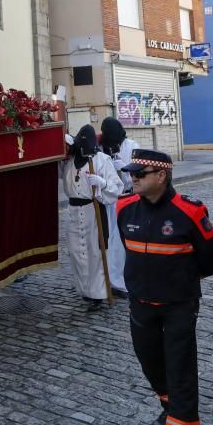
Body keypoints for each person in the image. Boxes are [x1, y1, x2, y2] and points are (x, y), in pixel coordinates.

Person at [117, 149, 213, 425]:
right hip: (140, 302)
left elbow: (212, 259)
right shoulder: (124, 207)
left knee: (180, 363)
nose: (132, 178)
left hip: (179, 302)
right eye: (131, 173)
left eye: (139, 174)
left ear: (161, 175)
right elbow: (131, 250)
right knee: (149, 360)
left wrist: (181, 278)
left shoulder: (190, 210)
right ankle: (171, 410)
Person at [61, 125, 124, 310]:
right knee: (76, 251)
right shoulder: (69, 161)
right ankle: (86, 290)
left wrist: (102, 183)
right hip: (73, 210)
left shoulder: (102, 160)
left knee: (95, 252)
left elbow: (116, 187)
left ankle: (98, 294)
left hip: (93, 210)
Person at [100, 116, 138, 297]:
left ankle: (124, 280)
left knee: (126, 241)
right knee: (112, 242)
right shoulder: (103, 148)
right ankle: (113, 279)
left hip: (130, 196)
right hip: (112, 199)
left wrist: (124, 168)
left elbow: (141, 172)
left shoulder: (131, 146)